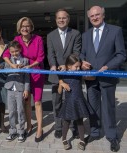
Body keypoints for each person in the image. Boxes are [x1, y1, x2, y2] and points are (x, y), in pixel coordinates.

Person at [80, 6, 126, 152]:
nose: (94, 17)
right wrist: (82, 62)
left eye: (97, 15)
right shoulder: (86, 35)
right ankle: (94, 132)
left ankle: (112, 136)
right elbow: (82, 54)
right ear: (89, 18)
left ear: (103, 15)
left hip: (108, 77)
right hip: (91, 78)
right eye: (92, 16)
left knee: (108, 108)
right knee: (93, 108)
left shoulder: (115, 31)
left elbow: (121, 55)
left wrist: (108, 66)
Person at [3, 17, 45, 142]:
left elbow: (41, 57)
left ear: (31, 27)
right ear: (19, 29)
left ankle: (39, 129)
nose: (25, 28)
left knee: (37, 102)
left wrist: (29, 66)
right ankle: (29, 125)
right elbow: (6, 54)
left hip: (36, 74)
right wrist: (12, 65)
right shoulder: (16, 40)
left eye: (27, 26)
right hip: (22, 77)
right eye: (22, 26)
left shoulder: (38, 39)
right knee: (26, 102)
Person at [47, 8, 81, 139]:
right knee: (57, 103)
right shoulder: (50, 35)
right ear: (56, 20)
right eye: (59, 18)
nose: (61, 20)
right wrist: (53, 65)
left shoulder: (76, 33)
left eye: (64, 18)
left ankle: (74, 127)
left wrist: (66, 66)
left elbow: (76, 52)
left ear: (68, 19)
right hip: (56, 75)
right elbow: (51, 54)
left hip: (71, 74)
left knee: (72, 102)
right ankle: (58, 127)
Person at [58, 54, 92, 150]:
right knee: (66, 121)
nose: (77, 69)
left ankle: (82, 140)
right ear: (69, 66)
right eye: (76, 66)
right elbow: (59, 91)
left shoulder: (79, 73)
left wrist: (87, 69)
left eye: (78, 66)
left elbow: (91, 77)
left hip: (79, 100)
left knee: (80, 121)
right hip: (69, 102)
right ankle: (64, 139)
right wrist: (62, 84)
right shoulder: (63, 74)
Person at [4, 40, 30, 143]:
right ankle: (12, 131)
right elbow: (5, 72)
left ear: (19, 50)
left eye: (16, 51)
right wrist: (11, 66)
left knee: (20, 111)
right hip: (10, 88)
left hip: (20, 89)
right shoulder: (8, 61)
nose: (14, 53)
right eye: (12, 52)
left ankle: (21, 132)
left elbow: (27, 77)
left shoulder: (25, 61)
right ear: (9, 52)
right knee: (11, 111)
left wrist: (26, 89)